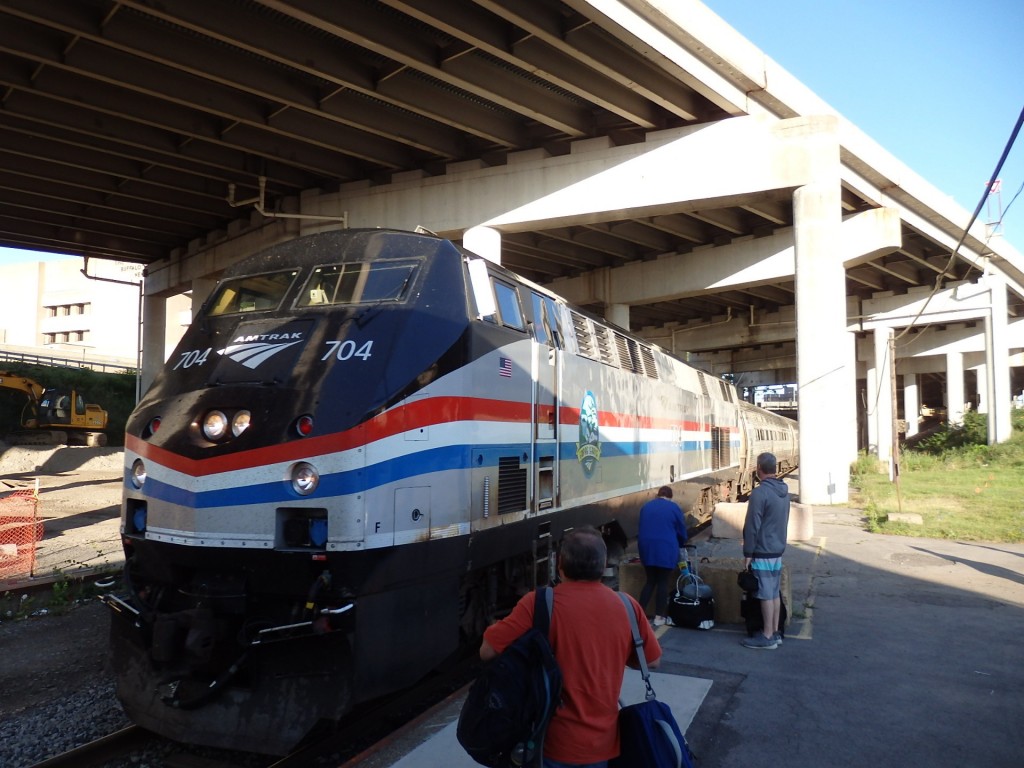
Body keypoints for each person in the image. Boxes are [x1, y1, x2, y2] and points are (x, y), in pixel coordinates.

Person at [480, 526, 662, 768]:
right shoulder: (627, 606)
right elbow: (651, 661)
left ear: (560, 565)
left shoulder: (538, 603)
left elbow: (487, 651)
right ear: (603, 564)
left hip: (548, 743)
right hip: (602, 746)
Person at [741, 452, 791, 650]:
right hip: (777, 549)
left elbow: (752, 525)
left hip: (762, 550)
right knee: (774, 594)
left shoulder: (760, 493)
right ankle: (776, 632)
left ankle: (767, 635)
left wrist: (748, 552)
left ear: (759, 468)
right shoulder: (784, 492)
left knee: (764, 594)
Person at [636, 486, 688, 627]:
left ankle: (639, 615)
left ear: (658, 495)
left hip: (646, 548)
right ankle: (659, 617)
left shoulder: (646, 507)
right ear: (670, 497)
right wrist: (682, 542)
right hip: (666, 549)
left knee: (650, 581)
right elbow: (681, 530)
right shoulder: (673, 507)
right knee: (663, 582)